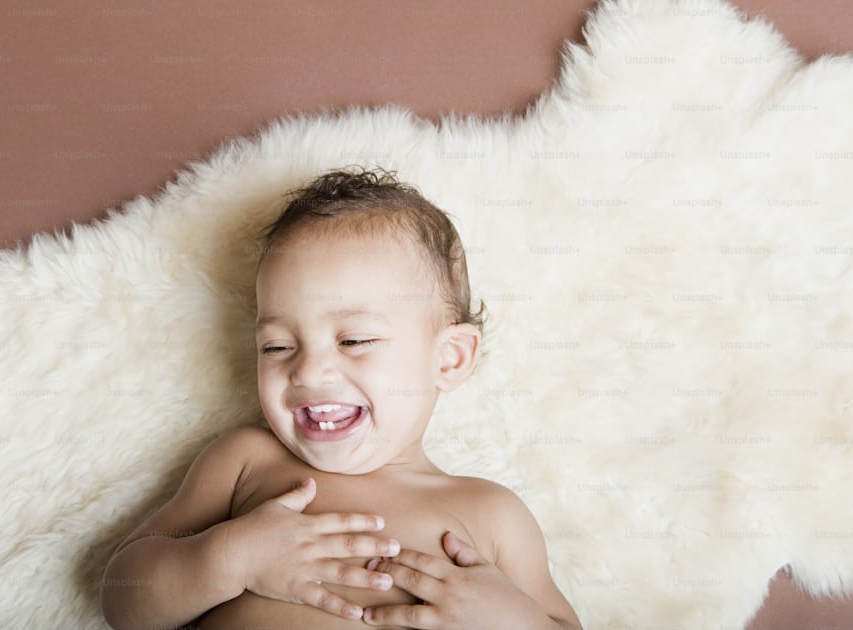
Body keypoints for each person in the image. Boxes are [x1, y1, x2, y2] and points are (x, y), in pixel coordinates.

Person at [101, 167, 581, 629]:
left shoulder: (490, 513)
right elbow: (124, 595)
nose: (307, 369)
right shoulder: (248, 462)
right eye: (277, 346)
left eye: (353, 341)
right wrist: (230, 559)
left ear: (449, 359)